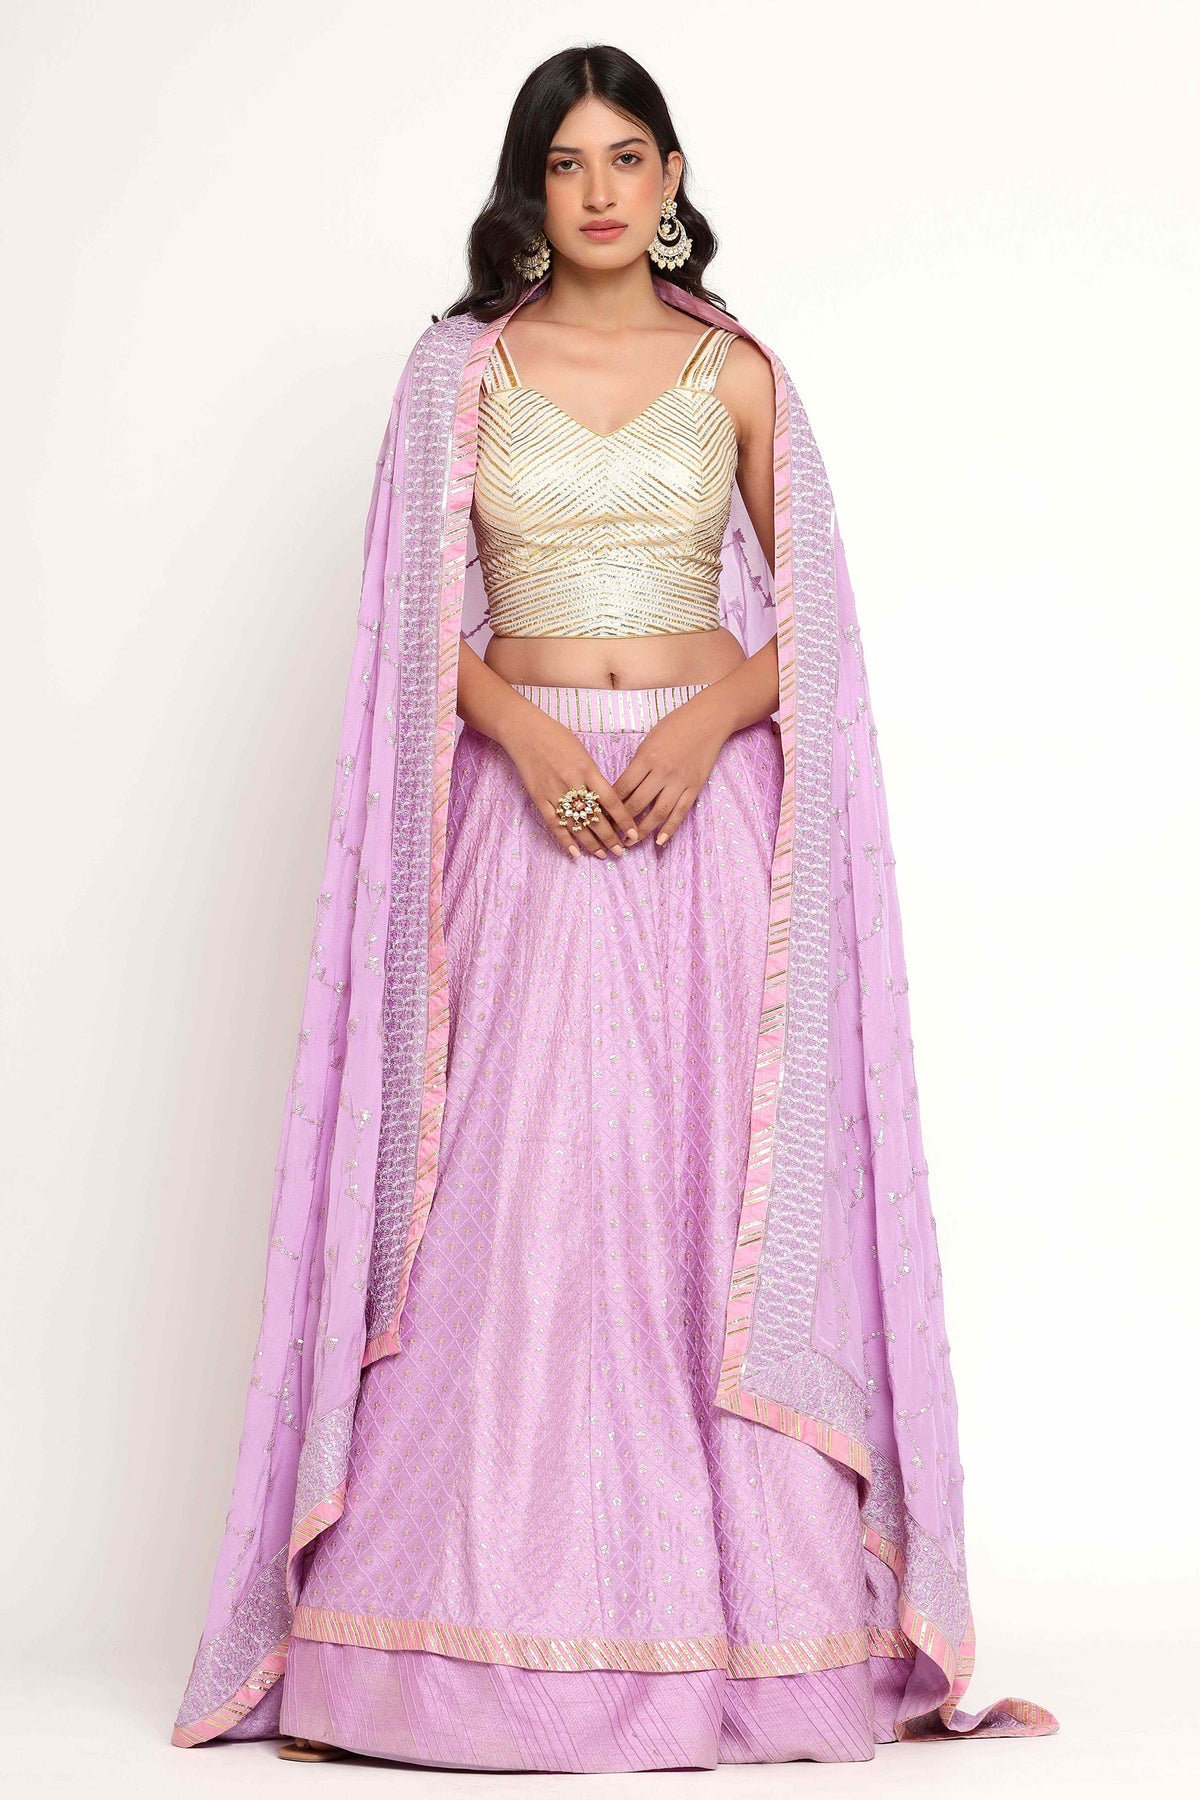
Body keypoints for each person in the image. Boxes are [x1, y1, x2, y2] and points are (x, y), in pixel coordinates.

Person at [172, 44, 1058, 1773]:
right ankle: (450, 1648)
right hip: (522, 822)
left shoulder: (740, 373)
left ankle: (747, 1638)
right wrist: (518, 732)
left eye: (628, 156)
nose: (598, 189)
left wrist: (707, 722)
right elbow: (407, 626)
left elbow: (823, 627)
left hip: (700, 818)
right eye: (567, 160)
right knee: (513, 1198)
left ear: (671, 180)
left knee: (699, 1195)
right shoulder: (460, 373)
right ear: (531, 187)